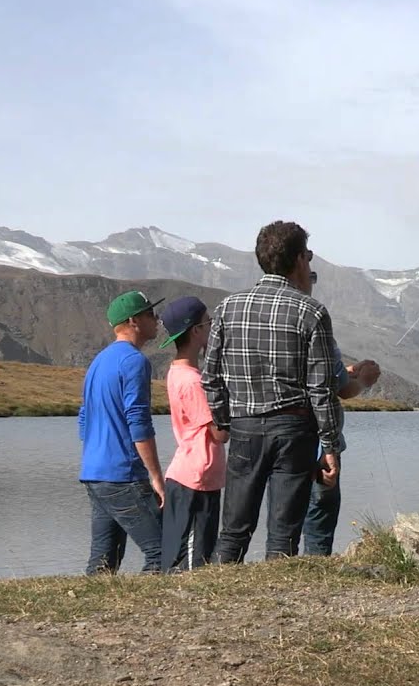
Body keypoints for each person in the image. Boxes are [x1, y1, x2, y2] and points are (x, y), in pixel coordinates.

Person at [202, 221, 343, 562]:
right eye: (308, 256)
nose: (309, 263)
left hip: (245, 427)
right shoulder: (312, 312)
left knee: (233, 530)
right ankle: (275, 604)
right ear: (297, 260)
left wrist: (224, 420)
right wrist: (331, 446)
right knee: (283, 536)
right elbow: (320, 389)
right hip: (295, 431)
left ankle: (217, 595)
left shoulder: (227, 309)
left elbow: (211, 377)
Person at [78, 290, 165, 574]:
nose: (157, 319)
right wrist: (155, 476)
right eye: (151, 314)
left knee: (103, 561)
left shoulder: (98, 362)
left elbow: (84, 419)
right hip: (122, 475)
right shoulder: (134, 361)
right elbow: (138, 422)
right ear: (134, 321)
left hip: (95, 472)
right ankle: (154, 614)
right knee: (164, 552)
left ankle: (95, 614)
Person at [158, 297, 229, 572]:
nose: (212, 328)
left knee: (185, 553)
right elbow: (219, 434)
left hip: (194, 474)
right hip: (197, 477)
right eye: (208, 322)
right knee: (194, 559)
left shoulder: (179, 372)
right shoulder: (193, 381)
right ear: (196, 331)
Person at [302, 349, 380, 556]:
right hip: (319, 446)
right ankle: (316, 572)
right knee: (319, 515)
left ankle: (281, 567)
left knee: (283, 515)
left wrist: (347, 371)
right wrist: (363, 380)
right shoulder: (317, 328)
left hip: (276, 440)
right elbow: (342, 389)